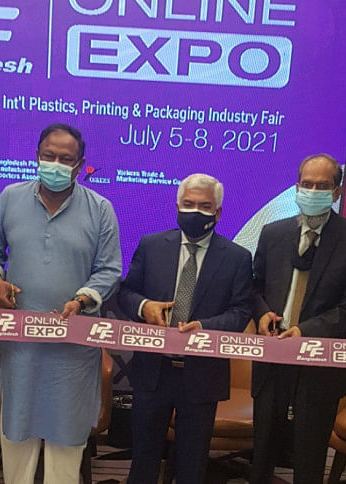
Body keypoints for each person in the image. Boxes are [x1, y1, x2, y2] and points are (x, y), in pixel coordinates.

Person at [0, 123, 121, 484]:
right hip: (22, 346)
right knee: (17, 435)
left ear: (80, 165)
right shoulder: (10, 197)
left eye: (65, 159)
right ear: (37, 156)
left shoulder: (100, 209)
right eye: (48, 156)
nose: (55, 164)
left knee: (66, 442)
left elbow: (109, 270)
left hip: (72, 350)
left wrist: (82, 299)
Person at [118, 173, 253, 483]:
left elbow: (241, 311)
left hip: (202, 374)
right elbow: (126, 292)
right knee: (143, 460)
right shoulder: (151, 245)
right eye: (188, 204)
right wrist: (144, 306)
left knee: (192, 464)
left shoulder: (237, 258)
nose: (195, 211)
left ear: (218, 213)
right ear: (177, 207)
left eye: (204, 206)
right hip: (153, 370)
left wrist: (205, 327)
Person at [249, 154, 346, 484]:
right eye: (307, 184)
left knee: (310, 453)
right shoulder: (273, 233)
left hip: (321, 362)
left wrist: (304, 331)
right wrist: (262, 313)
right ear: (297, 187)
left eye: (322, 186)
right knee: (262, 450)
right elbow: (255, 285)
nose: (313, 191)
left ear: (336, 192)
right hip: (272, 355)